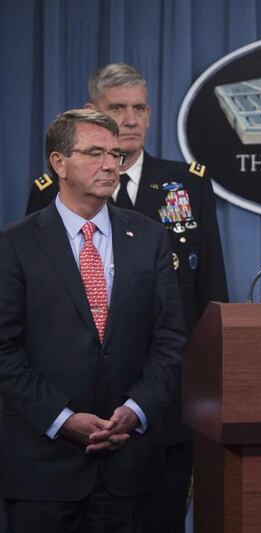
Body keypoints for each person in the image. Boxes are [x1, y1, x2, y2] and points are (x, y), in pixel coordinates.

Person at [24, 64, 228, 532]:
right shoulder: (50, 192)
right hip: (73, 405)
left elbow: (208, 292)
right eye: (118, 108)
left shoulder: (188, 183)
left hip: (162, 397)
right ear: (93, 112)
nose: (131, 119)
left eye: (139, 108)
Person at [0, 109, 185, 532]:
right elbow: (4, 350)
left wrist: (136, 410)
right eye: (95, 153)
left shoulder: (151, 238)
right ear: (59, 162)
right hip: (42, 471)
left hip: (130, 466)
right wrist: (62, 420)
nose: (110, 165)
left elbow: (170, 338)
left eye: (116, 155)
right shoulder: (14, 245)